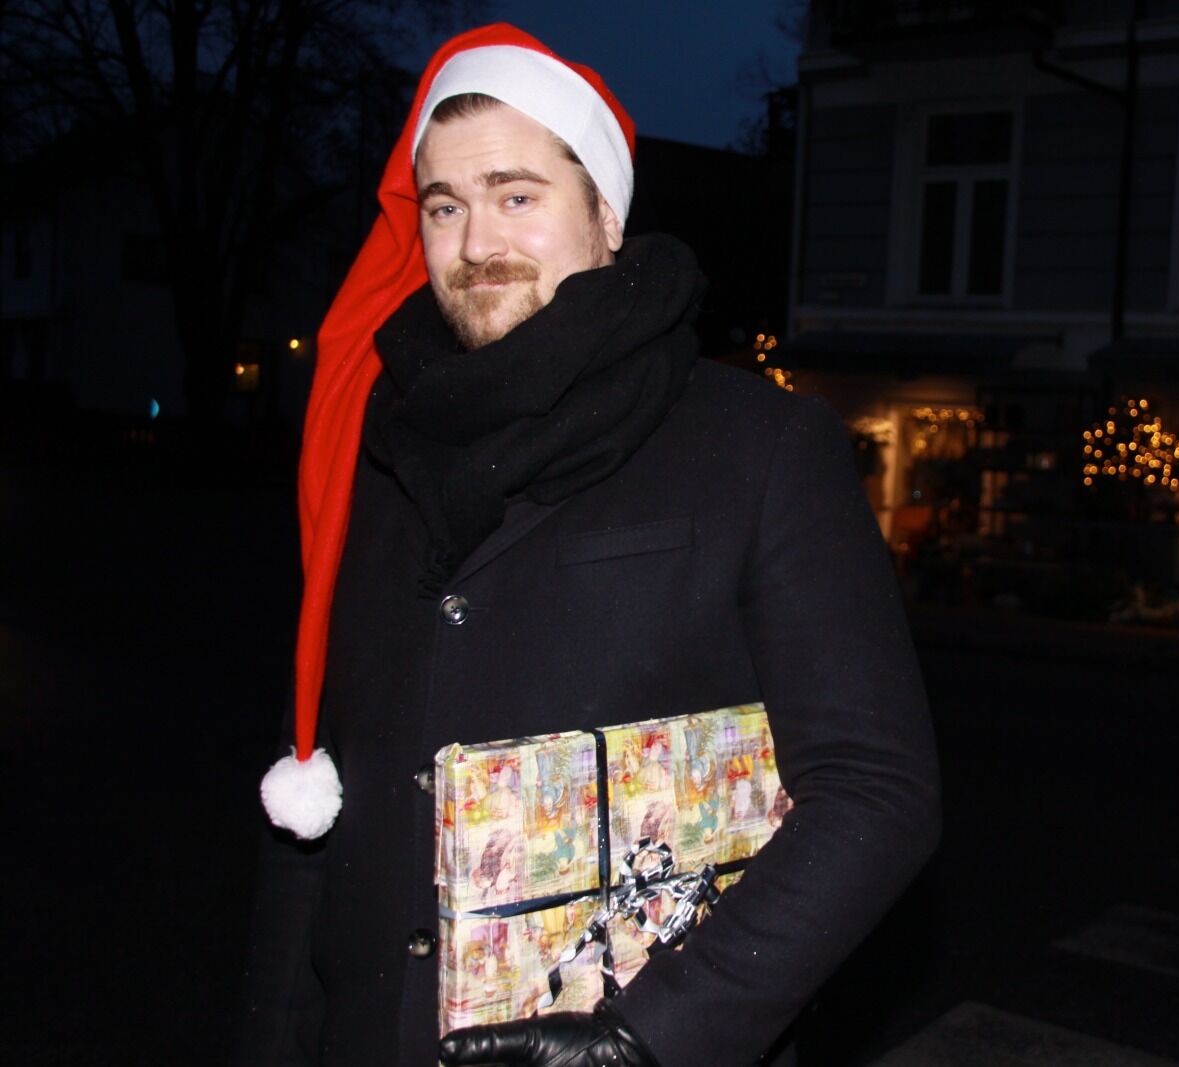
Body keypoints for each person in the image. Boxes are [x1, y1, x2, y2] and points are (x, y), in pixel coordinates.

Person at [236, 23, 939, 1067]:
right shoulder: (374, 448)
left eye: (518, 196)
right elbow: (318, 799)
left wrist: (645, 1036)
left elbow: (876, 790)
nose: (476, 242)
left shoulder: (756, 445)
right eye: (445, 206)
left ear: (605, 214)